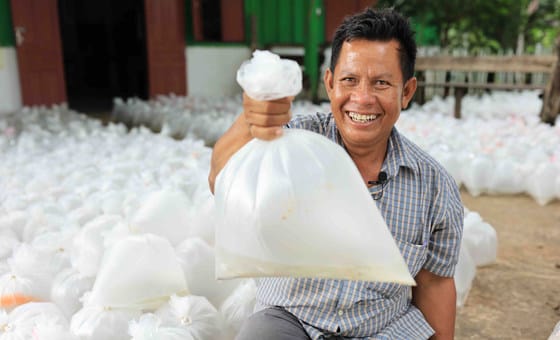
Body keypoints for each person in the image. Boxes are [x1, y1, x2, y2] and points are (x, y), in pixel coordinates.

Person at [208, 7, 463, 340]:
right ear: (330, 83)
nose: (362, 99)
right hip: (292, 320)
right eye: (349, 80)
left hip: (382, 329)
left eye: (382, 83)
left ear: (407, 91)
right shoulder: (290, 145)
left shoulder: (433, 185)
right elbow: (221, 179)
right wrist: (253, 120)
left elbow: (435, 283)